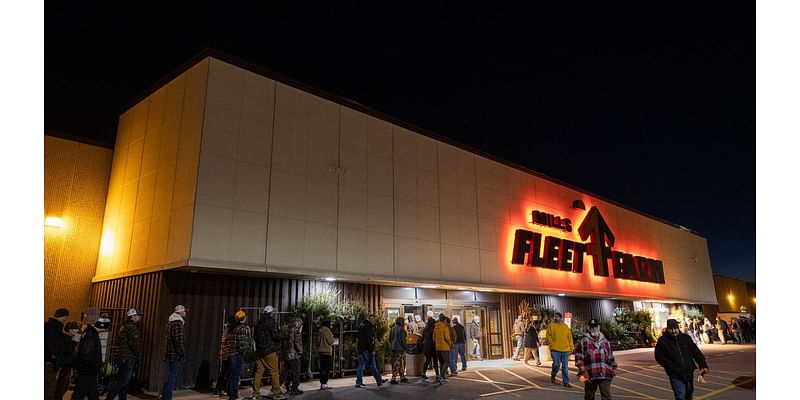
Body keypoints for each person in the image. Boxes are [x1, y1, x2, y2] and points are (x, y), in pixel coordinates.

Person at [655, 319, 709, 400]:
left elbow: (696, 353)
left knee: (689, 395)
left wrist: (703, 365)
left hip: (688, 372)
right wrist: (671, 366)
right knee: (680, 396)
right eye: (671, 329)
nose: (673, 331)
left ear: (678, 328)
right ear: (667, 329)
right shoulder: (663, 341)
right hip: (675, 374)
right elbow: (659, 357)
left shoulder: (686, 338)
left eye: (675, 328)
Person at [574, 319, 617, 400]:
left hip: (605, 373)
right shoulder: (583, 340)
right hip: (590, 374)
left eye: (595, 327)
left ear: (599, 327)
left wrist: (613, 368)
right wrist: (582, 369)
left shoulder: (605, 341)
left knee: (607, 397)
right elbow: (578, 356)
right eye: (591, 327)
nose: (593, 329)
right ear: (588, 328)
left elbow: (610, 356)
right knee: (589, 397)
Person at [106, 308, 144, 400]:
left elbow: (120, 342)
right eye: (138, 316)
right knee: (123, 381)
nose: (140, 318)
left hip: (122, 357)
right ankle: (109, 398)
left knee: (124, 381)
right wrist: (139, 357)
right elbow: (134, 344)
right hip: (128, 358)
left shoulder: (123, 327)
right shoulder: (132, 327)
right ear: (133, 317)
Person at [72, 314, 112, 400]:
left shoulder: (90, 333)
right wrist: (94, 365)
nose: (105, 331)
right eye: (105, 329)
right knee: (79, 394)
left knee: (92, 394)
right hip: (87, 371)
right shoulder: (91, 335)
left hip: (89, 371)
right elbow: (86, 353)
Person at [253, 306, 285, 400]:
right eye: (274, 312)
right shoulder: (271, 322)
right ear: (271, 313)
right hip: (270, 351)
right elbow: (276, 336)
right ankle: (276, 393)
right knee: (274, 372)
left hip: (260, 352)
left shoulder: (258, 323)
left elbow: (255, 337)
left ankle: (255, 394)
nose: (274, 313)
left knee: (258, 373)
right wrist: (282, 335)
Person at [162, 305, 187, 400]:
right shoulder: (178, 324)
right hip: (175, 355)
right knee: (172, 376)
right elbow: (179, 341)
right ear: (180, 312)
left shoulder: (170, 323)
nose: (185, 313)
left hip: (169, 353)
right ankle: (167, 397)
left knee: (169, 375)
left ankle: (164, 395)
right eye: (184, 311)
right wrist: (182, 354)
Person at [355, 314, 387, 388]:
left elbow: (359, 338)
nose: (374, 321)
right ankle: (377, 381)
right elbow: (369, 339)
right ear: (370, 319)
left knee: (367, 365)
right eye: (373, 319)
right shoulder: (368, 326)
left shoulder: (362, 325)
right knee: (369, 365)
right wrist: (372, 349)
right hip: (367, 349)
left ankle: (378, 380)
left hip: (362, 349)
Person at [46, 308, 70, 400]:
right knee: (50, 385)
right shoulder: (54, 327)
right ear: (63, 316)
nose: (65, 320)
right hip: (50, 361)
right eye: (66, 317)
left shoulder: (50, 325)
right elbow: (54, 345)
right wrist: (56, 356)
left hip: (49, 359)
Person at [227, 310, 251, 400]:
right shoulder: (241, 328)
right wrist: (246, 348)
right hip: (237, 354)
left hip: (231, 354)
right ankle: (234, 396)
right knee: (236, 376)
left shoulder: (232, 328)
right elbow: (241, 344)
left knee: (233, 375)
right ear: (243, 318)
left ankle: (231, 394)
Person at [55, 321, 82, 400]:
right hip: (65, 364)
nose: (76, 330)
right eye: (74, 329)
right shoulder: (66, 338)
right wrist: (74, 342)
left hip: (67, 364)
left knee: (64, 384)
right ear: (69, 329)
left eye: (77, 329)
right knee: (62, 384)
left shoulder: (69, 338)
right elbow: (67, 350)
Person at [546, 312, 574, 387]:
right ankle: (553, 374)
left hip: (565, 350)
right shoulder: (551, 326)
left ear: (561, 318)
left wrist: (571, 348)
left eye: (557, 317)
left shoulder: (565, 327)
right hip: (555, 350)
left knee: (565, 366)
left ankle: (566, 382)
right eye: (554, 317)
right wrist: (552, 345)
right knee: (556, 365)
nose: (555, 318)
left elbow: (570, 338)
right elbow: (548, 336)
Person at [280, 317, 304, 395]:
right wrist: (300, 351)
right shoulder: (296, 331)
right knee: (295, 372)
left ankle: (277, 385)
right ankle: (294, 389)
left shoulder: (286, 331)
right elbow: (297, 343)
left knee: (285, 371)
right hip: (293, 355)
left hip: (286, 354)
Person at [213, 315, 236, 397]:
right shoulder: (230, 329)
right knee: (229, 373)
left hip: (224, 353)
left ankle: (218, 389)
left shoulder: (226, 329)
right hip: (229, 353)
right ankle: (227, 389)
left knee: (223, 372)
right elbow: (229, 342)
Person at [389, 316, 409, 384]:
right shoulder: (402, 330)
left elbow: (390, 339)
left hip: (393, 348)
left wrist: (391, 347)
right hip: (399, 349)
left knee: (399, 362)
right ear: (401, 322)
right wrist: (406, 348)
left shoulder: (392, 329)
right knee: (397, 363)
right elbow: (403, 341)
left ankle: (402, 377)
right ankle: (393, 378)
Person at [421, 317, 441, 383]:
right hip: (433, 346)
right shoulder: (434, 329)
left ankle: (423, 373)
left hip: (426, 347)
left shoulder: (425, 329)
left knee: (427, 360)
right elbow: (435, 338)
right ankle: (437, 374)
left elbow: (423, 338)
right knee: (435, 360)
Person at [434, 314, 453, 382]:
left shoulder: (435, 327)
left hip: (437, 347)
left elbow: (433, 338)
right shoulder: (445, 327)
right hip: (444, 347)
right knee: (447, 362)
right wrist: (450, 343)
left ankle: (443, 378)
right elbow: (447, 338)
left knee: (441, 362)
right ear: (444, 320)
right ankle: (441, 375)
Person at [318, 320, 335, 389]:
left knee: (322, 368)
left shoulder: (320, 330)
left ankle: (322, 383)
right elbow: (331, 341)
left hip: (321, 351)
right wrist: (333, 339)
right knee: (327, 369)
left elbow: (318, 341)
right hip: (327, 352)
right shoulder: (327, 331)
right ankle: (324, 383)